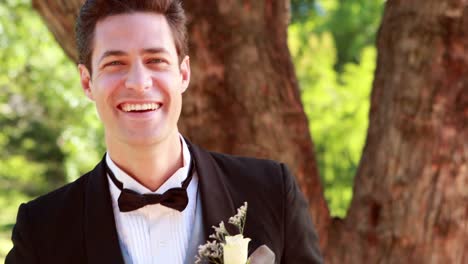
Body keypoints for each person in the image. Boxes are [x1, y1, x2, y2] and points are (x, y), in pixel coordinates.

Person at [6, 1, 323, 263]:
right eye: (115, 64)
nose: (139, 82)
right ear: (87, 82)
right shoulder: (42, 230)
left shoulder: (270, 193)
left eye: (155, 60)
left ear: (183, 73)